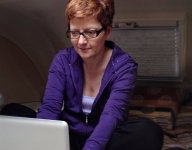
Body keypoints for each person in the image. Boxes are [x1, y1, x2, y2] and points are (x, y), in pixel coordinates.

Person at [37, 0, 164, 150]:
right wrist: (41, 141)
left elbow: (112, 114)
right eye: (75, 33)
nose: (81, 41)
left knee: (148, 132)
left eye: (91, 32)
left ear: (108, 32)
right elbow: (51, 107)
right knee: (13, 111)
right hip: (69, 135)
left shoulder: (124, 66)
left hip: (106, 138)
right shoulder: (63, 60)